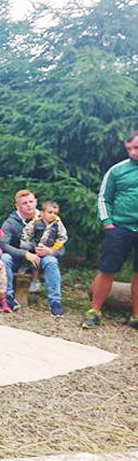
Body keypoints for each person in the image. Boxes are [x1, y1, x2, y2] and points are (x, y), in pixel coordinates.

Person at [83, 132, 138, 329]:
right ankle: (94, 311)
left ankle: (136, 317)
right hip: (120, 227)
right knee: (107, 269)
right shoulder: (117, 170)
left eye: (136, 148)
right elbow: (103, 198)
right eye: (129, 149)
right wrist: (107, 222)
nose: (132, 153)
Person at [0, 189, 64, 317]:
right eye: (24, 203)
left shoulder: (51, 220)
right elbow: (3, 244)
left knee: (51, 261)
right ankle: (8, 297)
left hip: (40, 258)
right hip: (18, 259)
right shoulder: (11, 222)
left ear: (36, 202)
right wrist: (24, 254)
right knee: (5, 258)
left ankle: (55, 302)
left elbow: (62, 246)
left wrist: (51, 251)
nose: (29, 205)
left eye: (31, 201)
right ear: (17, 206)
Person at [20, 201, 68, 294]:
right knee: (34, 260)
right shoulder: (36, 222)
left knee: (51, 262)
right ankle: (34, 278)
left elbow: (62, 237)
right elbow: (27, 232)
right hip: (35, 247)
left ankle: (52, 288)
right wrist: (29, 245)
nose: (53, 215)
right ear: (42, 213)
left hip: (49, 248)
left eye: (55, 213)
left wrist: (53, 249)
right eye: (50, 212)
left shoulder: (57, 223)